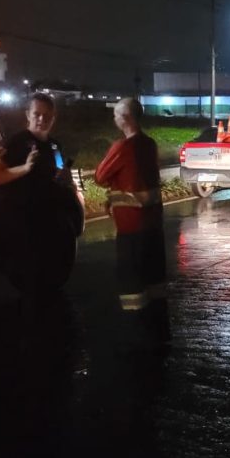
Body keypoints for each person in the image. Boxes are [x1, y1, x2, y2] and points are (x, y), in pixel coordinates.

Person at [95, 98, 168, 346]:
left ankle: (135, 339)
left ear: (125, 118)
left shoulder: (123, 147)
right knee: (154, 284)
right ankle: (158, 334)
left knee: (132, 287)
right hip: (153, 228)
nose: (114, 119)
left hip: (131, 231)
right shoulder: (149, 145)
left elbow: (100, 176)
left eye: (116, 115)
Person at [0, 93, 77, 291]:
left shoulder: (55, 145)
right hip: (21, 225)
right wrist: (24, 169)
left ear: (54, 118)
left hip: (49, 224)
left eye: (47, 115)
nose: (41, 119)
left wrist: (66, 179)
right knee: (27, 284)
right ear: (27, 114)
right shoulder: (14, 143)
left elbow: (58, 177)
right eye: (37, 114)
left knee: (50, 284)